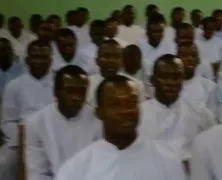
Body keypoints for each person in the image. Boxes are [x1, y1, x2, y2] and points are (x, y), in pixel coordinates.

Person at [55, 75, 186, 180]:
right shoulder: (77, 167)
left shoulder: (166, 159)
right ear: (99, 113)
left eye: (131, 103)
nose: (125, 111)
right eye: (115, 104)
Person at [25, 65, 102, 180]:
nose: (76, 97)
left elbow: (100, 166)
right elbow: (37, 173)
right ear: (55, 92)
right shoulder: (36, 123)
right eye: (70, 91)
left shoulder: (98, 120)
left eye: (81, 91)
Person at [138, 54, 216, 164]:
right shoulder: (138, 115)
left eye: (176, 77)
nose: (171, 83)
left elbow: (213, 153)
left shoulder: (202, 115)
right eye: (164, 77)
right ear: (153, 80)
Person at [1, 40, 54, 148]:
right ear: (27, 60)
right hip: (21, 140)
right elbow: (8, 122)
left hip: (54, 137)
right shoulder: (14, 85)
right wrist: (26, 138)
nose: (39, 61)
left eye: (44, 57)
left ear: (50, 60)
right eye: (35, 57)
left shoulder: (59, 84)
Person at [86, 40, 145, 105]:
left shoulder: (136, 85)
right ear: (97, 61)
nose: (112, 60)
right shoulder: (87, 84)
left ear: (122, 61)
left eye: (116, 56)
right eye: (106, 56)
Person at [177, 42, 217, 111]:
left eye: (194, 55)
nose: (190, 59)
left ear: (198, 60)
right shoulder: (170, 87)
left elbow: (212, 117)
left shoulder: (209, 87)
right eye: (185, 55)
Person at [137, 13, 175, 77]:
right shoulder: (139, 46)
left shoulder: (171, 47)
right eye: (154, 31)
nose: (157, 34)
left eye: (160, 31)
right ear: (147, 31)